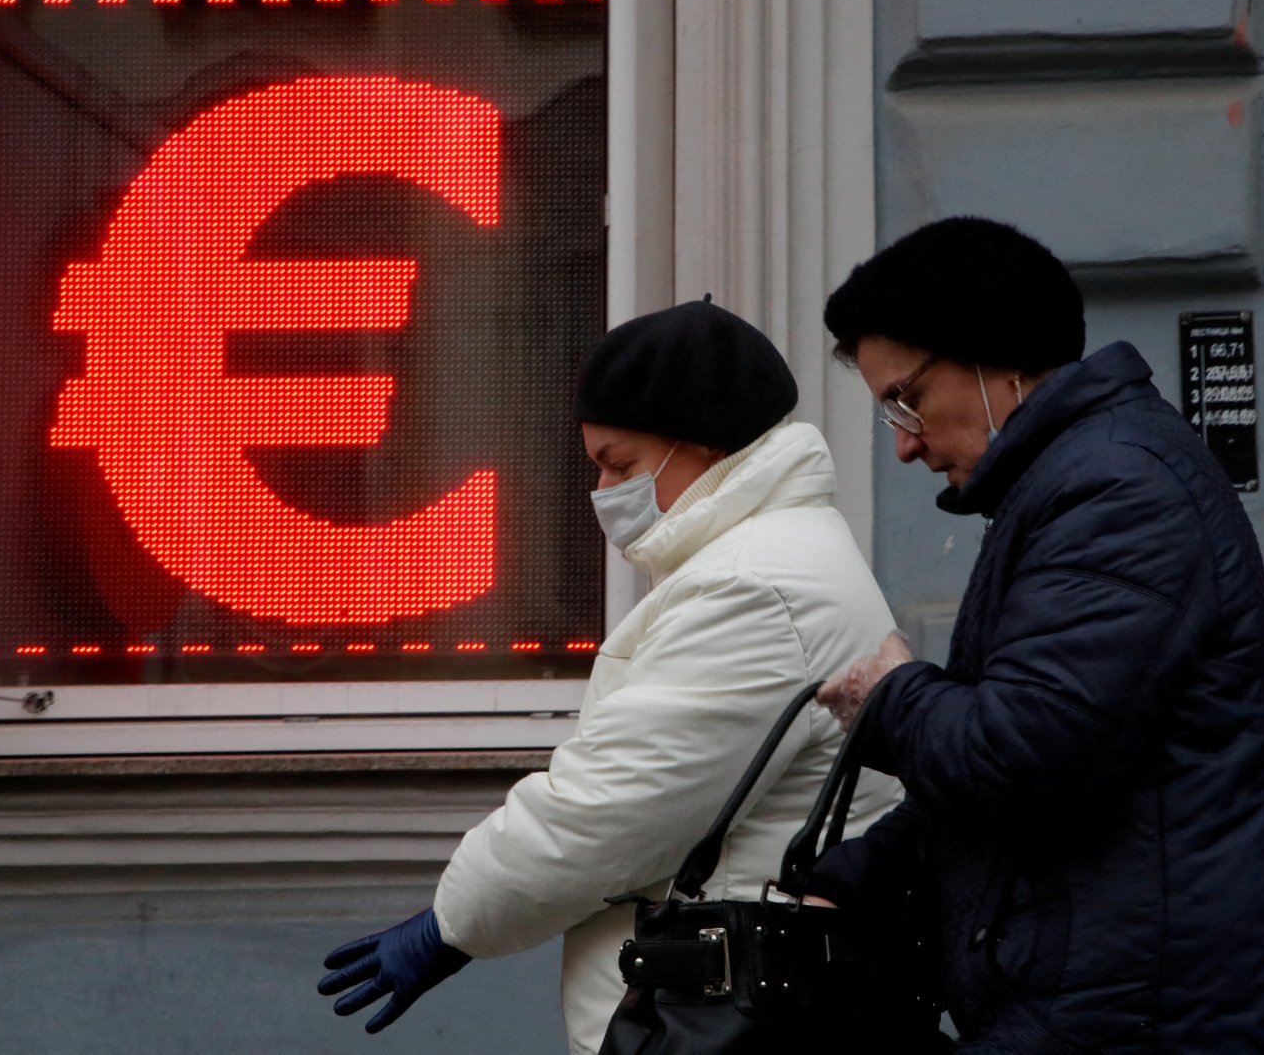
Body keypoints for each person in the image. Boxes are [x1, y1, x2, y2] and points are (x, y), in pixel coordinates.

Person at [809, 217, 1264, 1052]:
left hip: (1153, 1019)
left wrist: (893, 699)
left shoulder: (1113, 489)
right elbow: (1045, 754)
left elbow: (1025, 749)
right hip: (1116, 1002)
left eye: (905, 398)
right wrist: (851, 881)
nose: (905, 443)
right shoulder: (1072, 481)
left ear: (995, 358)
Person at [318, 299, 903, 1053]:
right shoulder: (775, 559)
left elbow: (610, 811)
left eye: (619, 465)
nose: (604, 493)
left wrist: (454, 923)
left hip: (724, 1021)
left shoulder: (753, 586)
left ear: (700, 443)